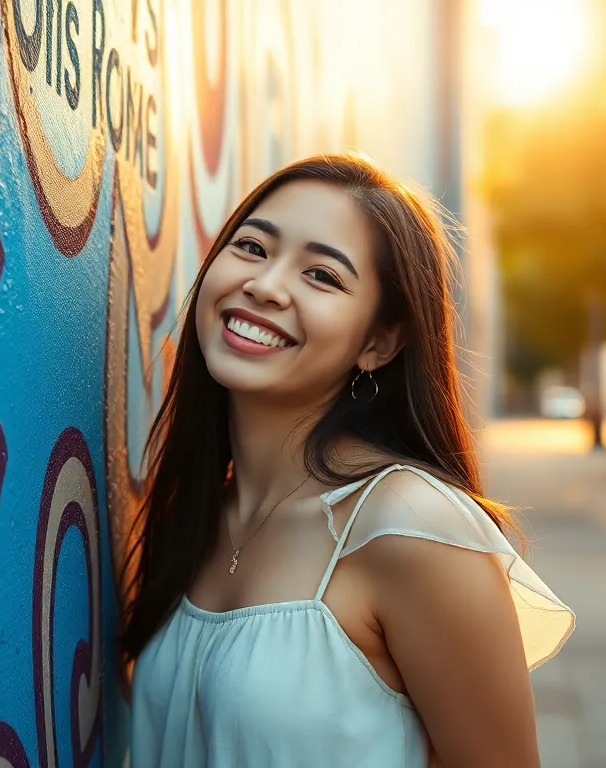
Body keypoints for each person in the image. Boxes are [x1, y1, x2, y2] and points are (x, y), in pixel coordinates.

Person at [122, 154, 574, 767]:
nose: (265, 284)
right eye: (252, 247)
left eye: (322, 276)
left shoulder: (413, 527)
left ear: (378, 343)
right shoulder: (198, 511)